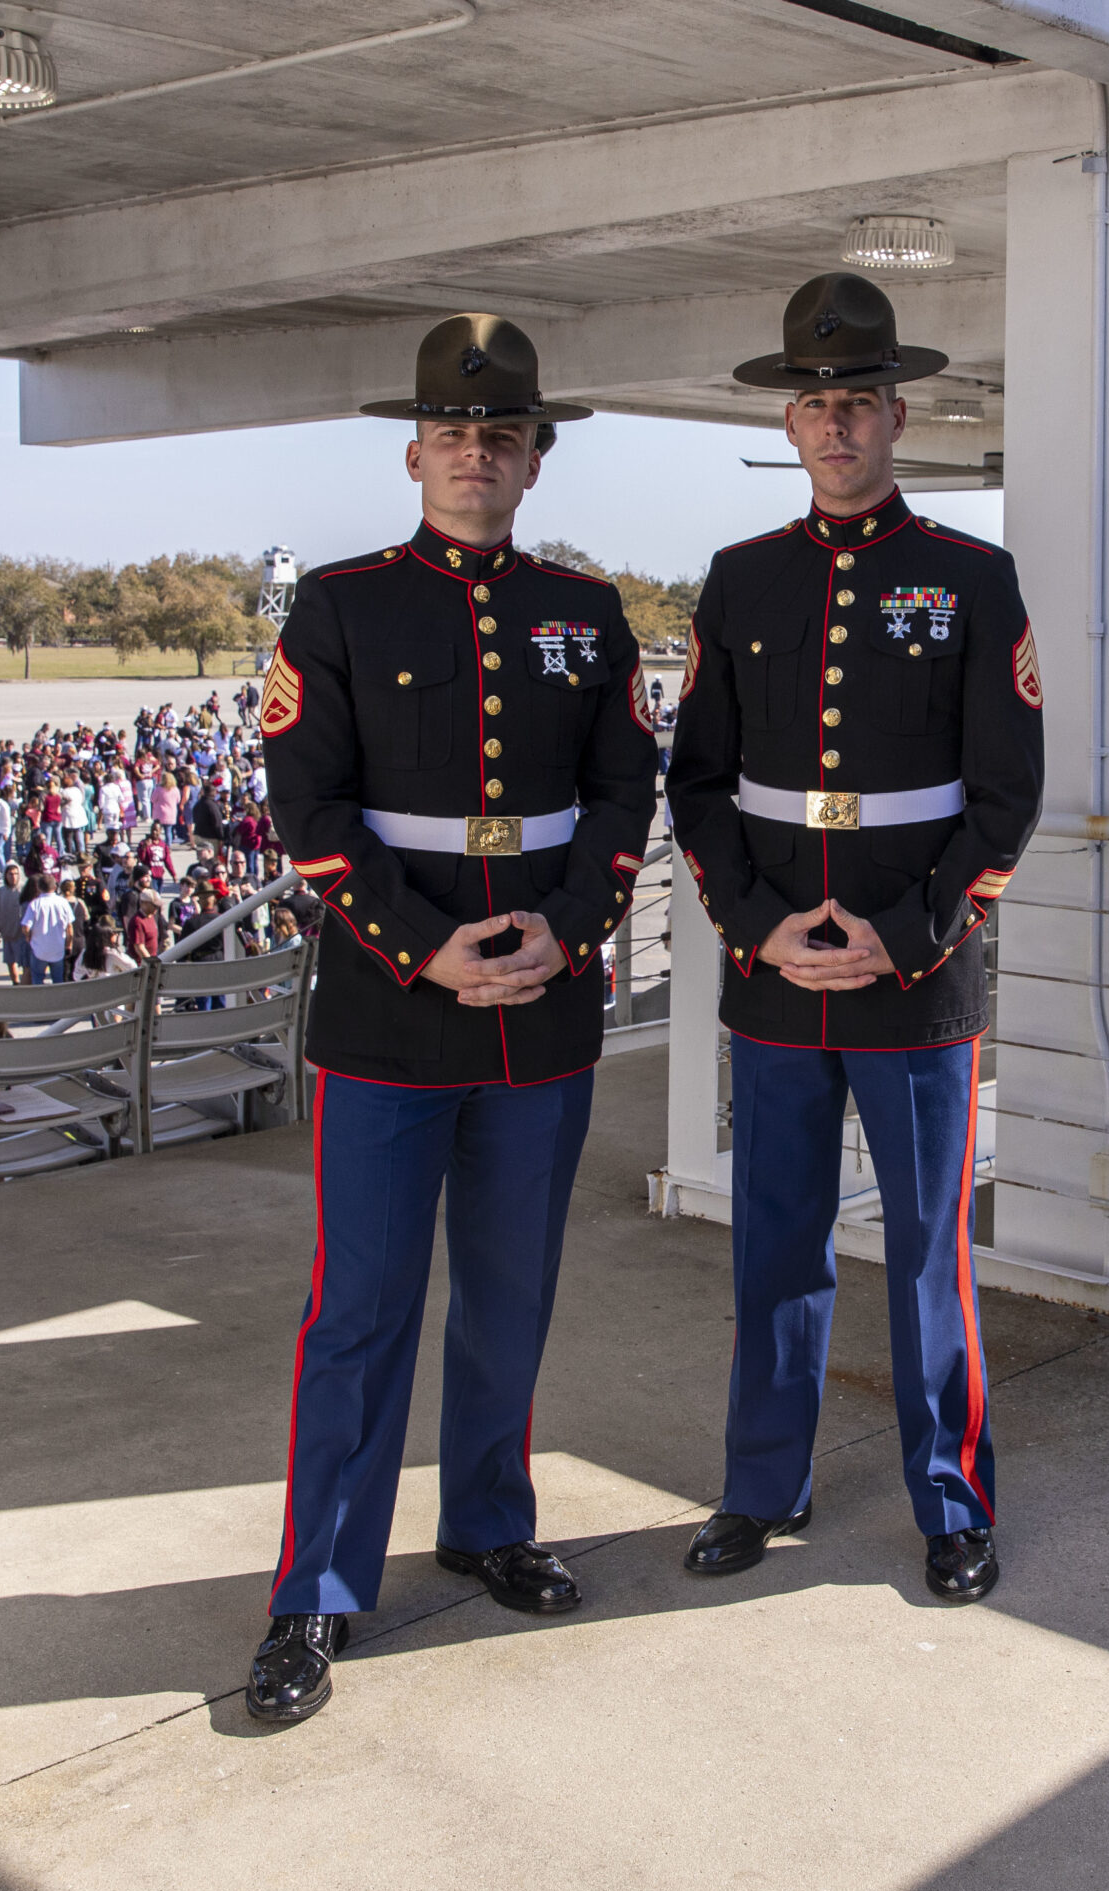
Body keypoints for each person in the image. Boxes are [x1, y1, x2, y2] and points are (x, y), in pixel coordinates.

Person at [244, 312, 658, 1726]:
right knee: (358, 1311)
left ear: (535, 462)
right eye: (456, 432)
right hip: (388, 1013)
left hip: (541, 1007)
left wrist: (567, 927)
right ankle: (317, 1589)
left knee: (510, 1296)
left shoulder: (587, 615)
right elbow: (307, 811)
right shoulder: (341, 606)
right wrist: (427, 950)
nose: (478, 454)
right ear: (415, 449)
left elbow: (622, 799)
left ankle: (488, 1519)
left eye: (505, 435)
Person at [664, 275, 1045, 1605]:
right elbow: (699, 786)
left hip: (916, 978)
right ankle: (762, 1484)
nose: (836, 427)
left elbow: (1007, 794)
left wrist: (901, 934)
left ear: (899, 416)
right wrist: (764, 929)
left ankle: (950, 1498)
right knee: (775, 1238)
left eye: (859, 404)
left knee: (931, 1246)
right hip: (778, 977)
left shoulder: (970, 578)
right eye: (815, 404)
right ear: (793, 419)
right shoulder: (741, 579)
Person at [19, 874, 73, 986]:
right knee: (58, 980)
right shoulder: (63, 902)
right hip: (58, 948)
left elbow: (25, 926)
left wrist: (29, 936)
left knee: (37, 978)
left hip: (39, 949)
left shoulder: (34, 904)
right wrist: (69, 944)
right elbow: (69, 927)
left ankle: (39, 1001)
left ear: (39, 888)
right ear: (55, 887)